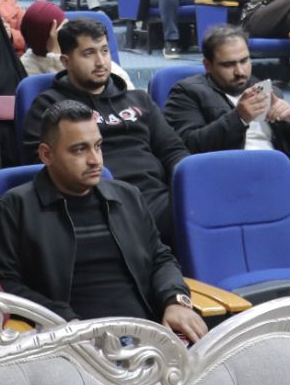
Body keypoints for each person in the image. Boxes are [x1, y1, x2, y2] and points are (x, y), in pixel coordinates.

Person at [0, 101, 205, 343]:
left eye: (98, 146)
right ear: (46, 155)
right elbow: (3, 283)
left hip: (147, 333)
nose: (95, 160)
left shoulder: (127, 196)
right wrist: (61, 319)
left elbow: (160, 258)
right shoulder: (15, 207)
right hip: (73, 342)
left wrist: (175, 300)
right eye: (79, 150)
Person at [21, 19, 187, 235]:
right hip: (97, 203)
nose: (100, 62)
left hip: (157, 200)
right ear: (66, 61)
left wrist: (185, 187)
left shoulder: (139, 99)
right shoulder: (49, 105)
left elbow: (173, 151)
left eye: (105, 51)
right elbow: (43, 165)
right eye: (89, 53)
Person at [164, 26, 290, 234]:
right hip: (234, 191)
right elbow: (189, 147)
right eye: (228, 64)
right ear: (208, 65)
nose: (240, 71)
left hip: (284, 185)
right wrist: (238, 118)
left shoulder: (266, 90)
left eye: (244, 61)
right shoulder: (187, 93)